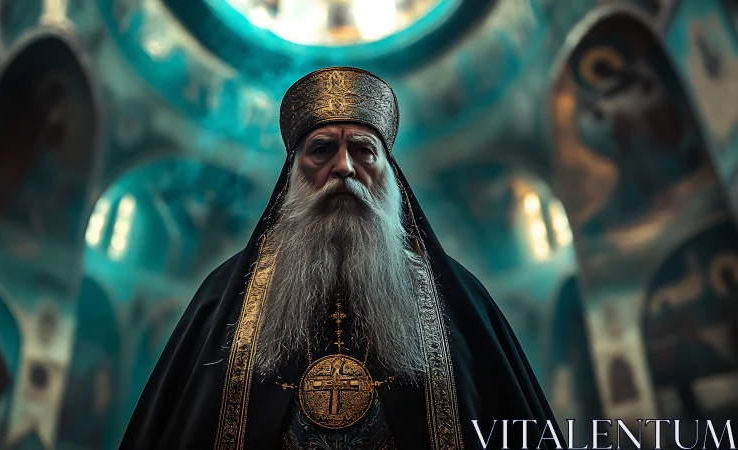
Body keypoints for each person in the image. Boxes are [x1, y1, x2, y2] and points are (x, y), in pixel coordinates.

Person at [120, 67, 560, 450]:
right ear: (293, 173)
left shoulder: (458, 302)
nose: (344, 167)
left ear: (389, 175)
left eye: (364, 150)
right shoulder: (227, 298)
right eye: (322, 149)